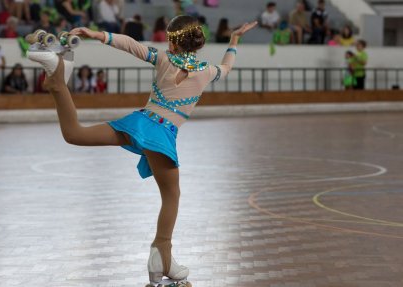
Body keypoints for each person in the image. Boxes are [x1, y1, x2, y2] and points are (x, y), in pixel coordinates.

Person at [26, 15, 257, 286]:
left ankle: (56, 81)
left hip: (139, 124)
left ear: (174, 41)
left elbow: (130, 45)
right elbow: (227, 68)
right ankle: (163, 257)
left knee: (74, 134)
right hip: (161, 136)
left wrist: (98, 34)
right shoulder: (206, 71)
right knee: (171, 196)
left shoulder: (162, 59)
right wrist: (234, 40)